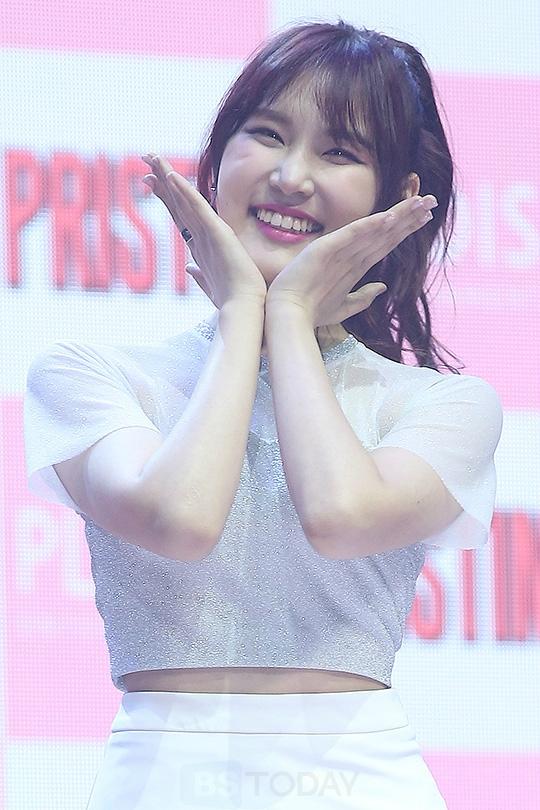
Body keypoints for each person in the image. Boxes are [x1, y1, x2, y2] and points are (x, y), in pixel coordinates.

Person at [24, 19, 503, 810]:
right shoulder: (95, 377)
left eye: (338, 152)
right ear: (218, 163)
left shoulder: (440, 406)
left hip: (361, 784)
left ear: (398, 199)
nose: (290, 176)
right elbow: (180, 519)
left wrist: (288, 317)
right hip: (159, 784)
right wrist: (247, 310)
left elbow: (343, 516)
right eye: (268, 135)